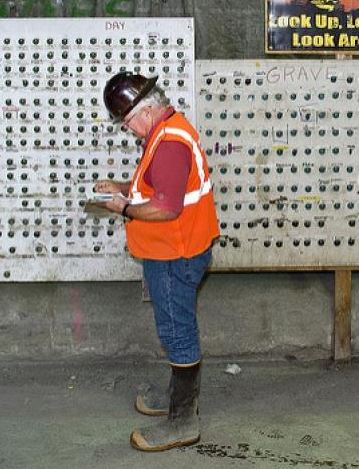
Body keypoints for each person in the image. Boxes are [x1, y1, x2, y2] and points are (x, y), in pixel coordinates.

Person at [95, 72, 219, 451]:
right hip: (174, 250)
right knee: (176, 327)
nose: (128, 129)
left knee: (177, 331)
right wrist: (123, 187)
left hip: (173, 254)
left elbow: (165, 207)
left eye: (127, 121)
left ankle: (183, 422)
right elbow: (161, 186)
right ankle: (178, 398)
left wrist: (126, 207)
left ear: (144, 111)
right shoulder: (166, 132)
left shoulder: (168, 144)